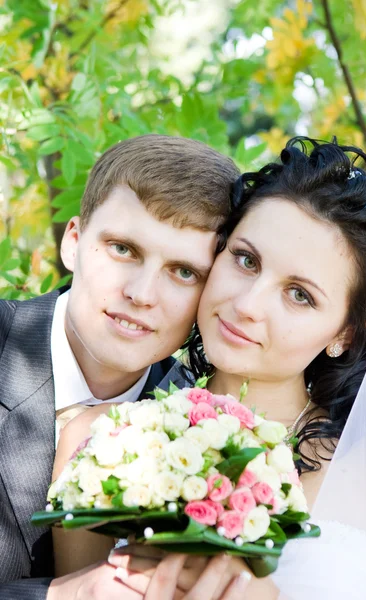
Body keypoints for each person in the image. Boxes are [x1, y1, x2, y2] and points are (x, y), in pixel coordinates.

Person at [53, 137, 366, 598]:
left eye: (300, 295)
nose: (247, 305)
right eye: (246, 260)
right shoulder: (102, 442)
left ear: (347, 334)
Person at [0, 134, 240, 599]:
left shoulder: (205, 425)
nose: (142, 293)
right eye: (123, 249)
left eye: (183, 271)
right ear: (73, 243)